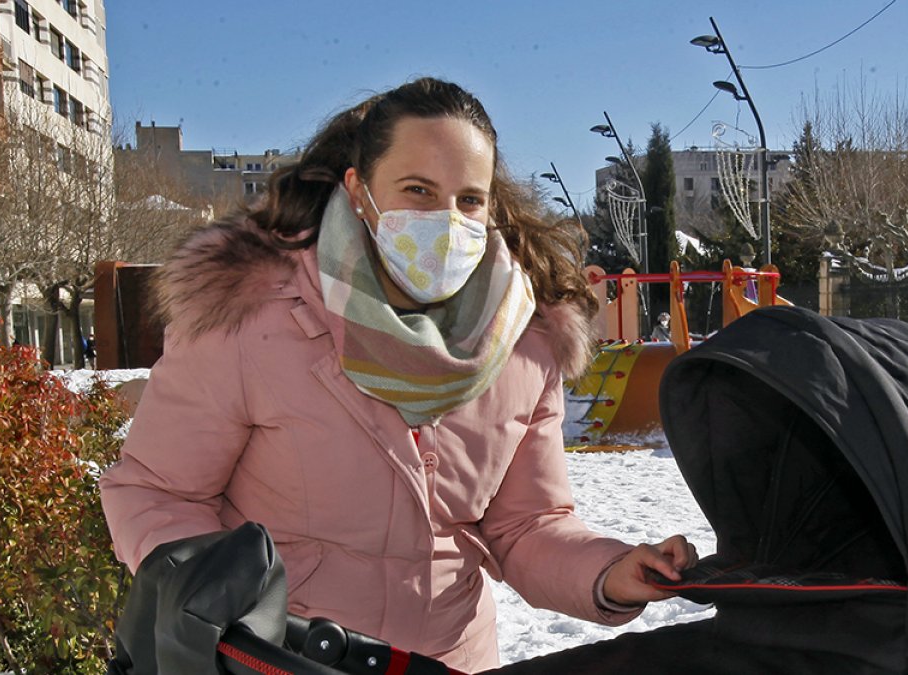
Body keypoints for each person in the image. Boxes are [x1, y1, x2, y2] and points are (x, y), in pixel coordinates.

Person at [99, 78, 697, 672]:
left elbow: (526, 524)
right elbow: (156, 492)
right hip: (286, 658)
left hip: (451, 662)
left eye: (469, 199)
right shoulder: (247, 318)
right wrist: (216, 604)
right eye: (418, 190)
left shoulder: (526, 341)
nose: (447, 219)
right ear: (360, 190)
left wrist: (611, 571)